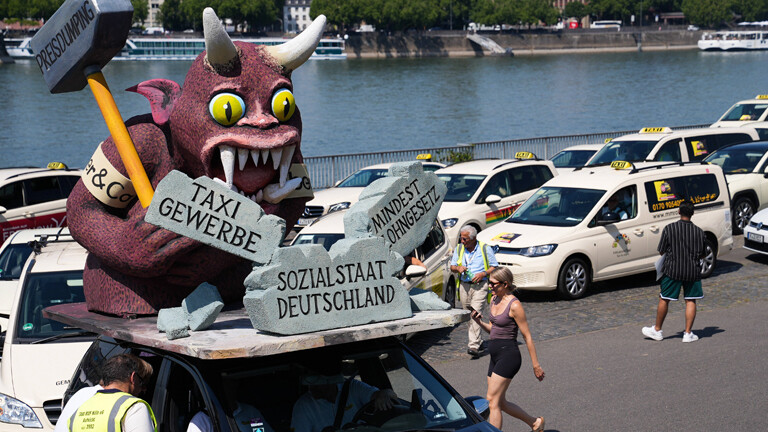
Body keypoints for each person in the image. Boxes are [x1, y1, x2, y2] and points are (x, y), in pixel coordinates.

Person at [470, 267, 545, 432]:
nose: (490, 286)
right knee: (500, 402)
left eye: (493, 284)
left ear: (505, 284)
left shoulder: (515, 305)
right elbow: (493, 329)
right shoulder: (494, 300)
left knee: (492, 401)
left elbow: (527, 336)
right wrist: (478, 322)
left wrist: (535, 365)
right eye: (489, 283)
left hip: (509, 356)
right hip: (494, 355)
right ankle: (535, 423)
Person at [642, 200, 706, 343]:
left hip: (673, 270)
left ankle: (657, 330)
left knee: (664, 298)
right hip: (692, 271)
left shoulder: (670, 229)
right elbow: (703, 254)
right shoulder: (699, 232)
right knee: (690, 300)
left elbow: (661, 250)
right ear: (692, 213)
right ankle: (688, 333)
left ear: (678, 211)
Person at [290, 362, 398, 432]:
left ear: (329, 381)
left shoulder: (353, 387)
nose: (311, 388)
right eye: (309, 384)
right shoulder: (303, 406)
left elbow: (385, 394)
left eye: (315, 383)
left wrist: (383, 394)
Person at [66, 354, 157, 432]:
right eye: (141, 383)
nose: (142, 390)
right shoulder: (134, 407)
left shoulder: (80, 409)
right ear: (133, 378)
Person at [450, 225, 498, 358]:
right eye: (461, 238)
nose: (462, 241)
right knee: (468, 314)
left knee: (475, 314)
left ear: (473, 239)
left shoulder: (484, 248)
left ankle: (474, 345)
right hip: (464, 286)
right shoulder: (459, 248)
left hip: (480, 286)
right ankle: (479, 340)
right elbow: (452, 266)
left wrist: (483, 274)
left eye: (465, 239)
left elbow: (494, 266)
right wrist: (458, 268)